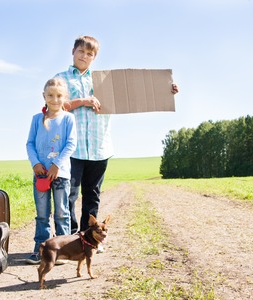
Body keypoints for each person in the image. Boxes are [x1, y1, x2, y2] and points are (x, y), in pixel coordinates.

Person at [55, 36, 179, 247]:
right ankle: (68, 241)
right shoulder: (61, 78)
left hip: (98, 146)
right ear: (73, 51)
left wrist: (166, 89)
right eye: (81, 52)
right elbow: (55, 103)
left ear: (94, 58)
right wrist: (84, 101)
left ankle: (88, 239)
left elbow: (137, 92)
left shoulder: (104, 80)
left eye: (89, 54)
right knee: (69, 195)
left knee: (92, 195)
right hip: (71, 147)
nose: (84, 56)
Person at [25, 78, 77, 264]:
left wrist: (57, 164)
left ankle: (63, 249)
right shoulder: (36, 120)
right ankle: (41, 249)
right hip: (40, 175)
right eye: (50, 95)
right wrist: (35, 163)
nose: (55, 99)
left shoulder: (68, 119)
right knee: (42, 214)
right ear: (44, 96)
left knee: (62, 213)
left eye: (59, 96)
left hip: (60, 175)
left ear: (65, 97)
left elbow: (71, 144)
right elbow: (30, 143)